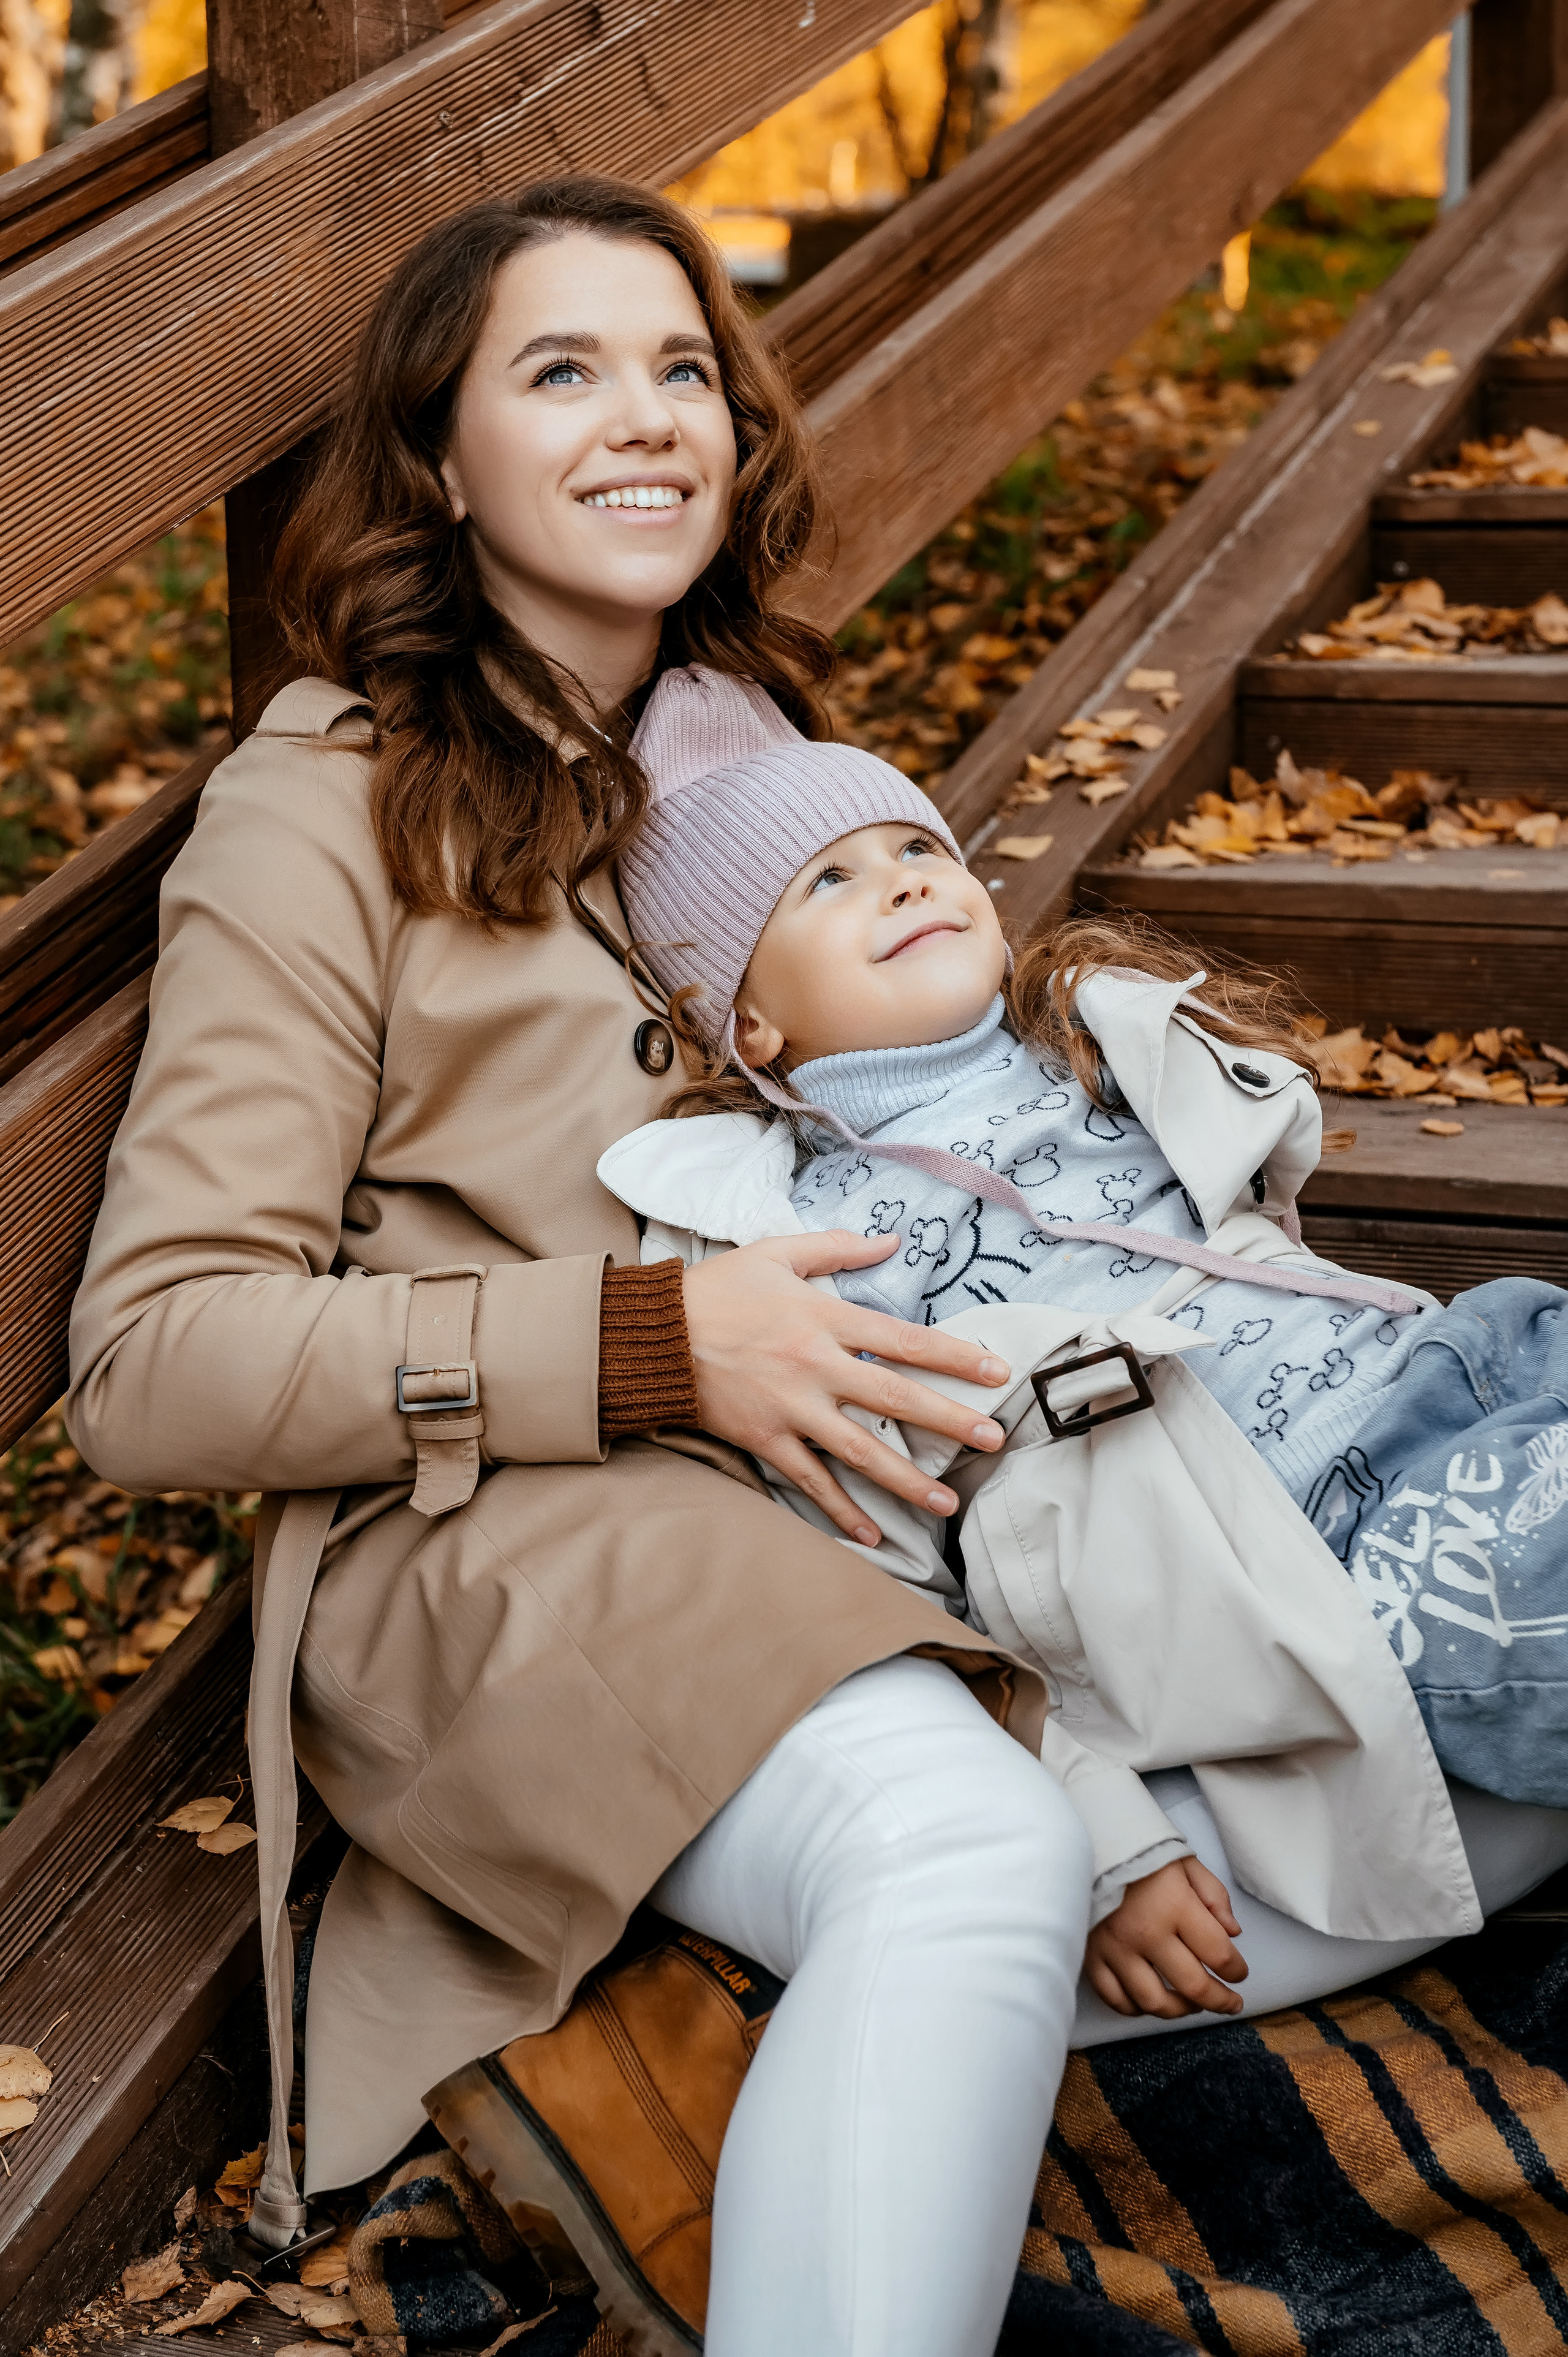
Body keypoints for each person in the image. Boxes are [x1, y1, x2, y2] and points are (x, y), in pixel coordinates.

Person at [64, 179, 1101, 2357]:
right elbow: (154, 1359)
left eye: (683, 368)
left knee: (1392, 1720)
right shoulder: (324, 808)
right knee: (968, 1849)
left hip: (862, 1481)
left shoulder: (745, 758)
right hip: (496, 1544)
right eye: (561, 371)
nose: (647, 418)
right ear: (441, 462)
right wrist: (644, 1339)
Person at [595, 660, 1568, 2030]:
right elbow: (900, 1584)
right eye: (828, 880)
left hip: (1471, 1354)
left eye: (918, 848)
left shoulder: (1091, 1046)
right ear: (746, 1020)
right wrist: (1105, 1833)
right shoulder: (799, 1245)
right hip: (1343, 1529)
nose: (902, 884)